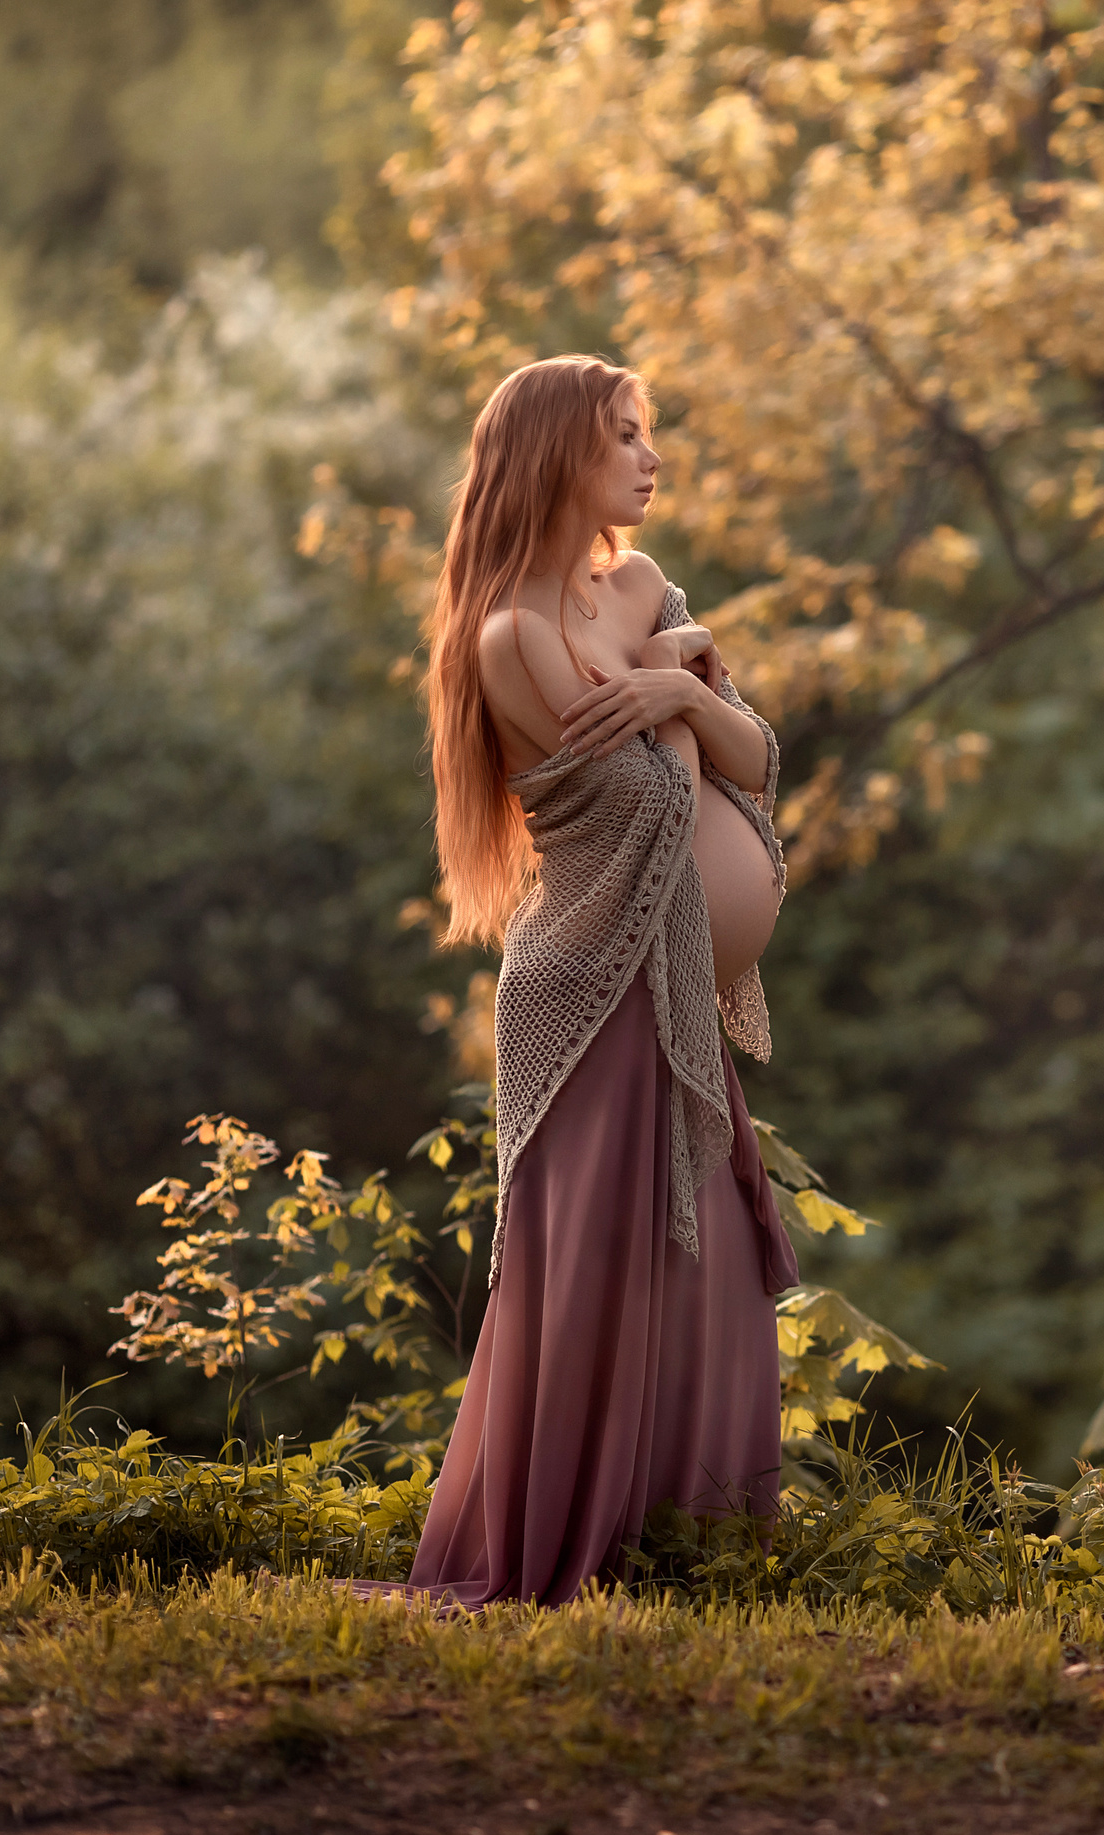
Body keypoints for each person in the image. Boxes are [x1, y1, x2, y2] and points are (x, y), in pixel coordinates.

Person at [367, 353, 799, 1609]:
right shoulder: (511, 635)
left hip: (672, 996)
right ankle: (567, 1553)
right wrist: (691, 681)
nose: (650, 461)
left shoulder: (645, 588)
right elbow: (653, 792)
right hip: (595, 992)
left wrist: (671, 676)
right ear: (562, 455)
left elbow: (755, 758)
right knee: (600, 1278)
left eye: (646, 435)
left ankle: (694, 1547)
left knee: (704, 1260)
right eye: (624, 438)